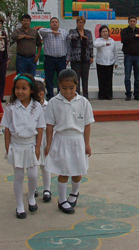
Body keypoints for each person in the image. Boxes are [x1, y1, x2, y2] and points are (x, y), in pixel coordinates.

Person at [44, 69, 94, 215]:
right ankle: (61, 199)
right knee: (64, 171)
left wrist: (87, 143)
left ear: (76, 85)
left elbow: (87, 124)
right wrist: (49, 143)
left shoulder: (83, 102)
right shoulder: (53, 102)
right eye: (64, 88)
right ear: (58, 85)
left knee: (78, 170)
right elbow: (49, 125)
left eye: (71, 88)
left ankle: (74, 193)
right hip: (61, 139)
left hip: (78, 139)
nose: (68, 92)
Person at [0, 74, 45, 219]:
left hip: (31, 145)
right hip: (16, 145)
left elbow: (40, 128)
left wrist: (38, 147)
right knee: (18, 176)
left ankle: (31, 196)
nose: (20, 91)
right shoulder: (11, 107)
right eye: (17, 88)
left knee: (32, 175)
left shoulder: (37, 106)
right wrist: (7, 146)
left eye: (24, 88)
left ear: (31, 90)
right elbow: (7, 128)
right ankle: (19, 205)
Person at [39, 17, 68, 100]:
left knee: (62, 78)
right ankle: (50, 95)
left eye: (56, 22)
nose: (54, 23)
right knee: (49, 78)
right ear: (50, 24)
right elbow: (40, 31)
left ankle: (61, 95)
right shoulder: (46, 32)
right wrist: (52, 32)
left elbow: (68, 45)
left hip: (61, 59)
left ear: (59, 24)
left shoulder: (64, 32)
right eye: (52, 22)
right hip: (49, 59)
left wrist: (67, 57)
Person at [121, 16, 139, 101]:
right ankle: (128, 94)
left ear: (136, 22)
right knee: (127, 76)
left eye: (134, 21)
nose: (132, 22)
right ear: (128, 22)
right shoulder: (124, 31)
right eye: (131, 21)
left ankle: (137, 94)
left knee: (137, 76)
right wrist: (134, 35)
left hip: (138, 56)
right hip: (128, 55)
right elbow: (124, 39)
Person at [67, 16, 94, 99]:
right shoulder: (72, 31)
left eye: (82, 22)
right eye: (79, 22)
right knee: (76, 78)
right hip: (76, 59)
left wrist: (91, 56)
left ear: (84, 23)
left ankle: (86, 96)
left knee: (85, 78)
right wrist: (80, 36)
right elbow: (70, 37)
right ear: (77, 23)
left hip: (85, 58)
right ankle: (77, 96)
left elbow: (91, 45)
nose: (81, 24)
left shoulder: (88, 32)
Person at [34, 79, 51, 202]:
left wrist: (50, 142)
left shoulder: (49, 106)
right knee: (33, 165)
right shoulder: (30, 106)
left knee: (45, 165)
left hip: (44, 137)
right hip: (33, 138)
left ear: (41, 94)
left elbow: (52, 124)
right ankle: (33, 187)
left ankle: (47, 189)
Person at [93, 25, 118, 100]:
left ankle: (109, 95)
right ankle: (101, 95)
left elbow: (115, 52)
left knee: (109, 80)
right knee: (101, 79)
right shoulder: (98, 40)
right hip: (101, 63)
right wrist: (104, 43)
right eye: (103, 31)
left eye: (106, 31)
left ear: (108, 32)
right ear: (100, 33)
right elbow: (94, 45)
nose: (105, 33)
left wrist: (116, 62)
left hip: (110, 63)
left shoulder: (112, 40)